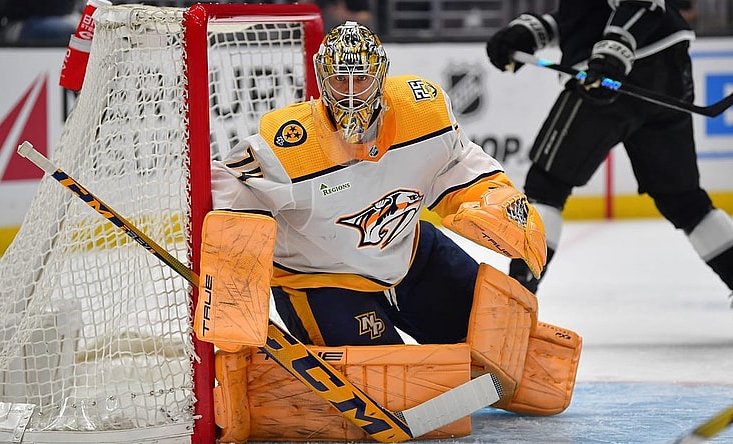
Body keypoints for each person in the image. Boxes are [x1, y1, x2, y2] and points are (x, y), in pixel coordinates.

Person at [210, 21, 547, 347]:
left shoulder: (423, 112)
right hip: (319, 279)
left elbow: (456, 163)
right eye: (341, 80)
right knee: (390, 389)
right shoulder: (287, 144)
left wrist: (494, 197)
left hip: (408, 253)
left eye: (363, 79)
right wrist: (233, 281)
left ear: (381, 76)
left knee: (499, 338)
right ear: (322, 79)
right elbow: (231, 189)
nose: (353, 92)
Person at [485, 0, 733, 302]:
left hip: (618, 74)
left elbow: (642, 3)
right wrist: (534, 32)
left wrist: (612, 54)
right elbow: (590, 15)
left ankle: (515, 305)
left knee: (546, 187)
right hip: (668, 68)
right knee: (684, 200)